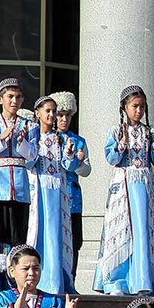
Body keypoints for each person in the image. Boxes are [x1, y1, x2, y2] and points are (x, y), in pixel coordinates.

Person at [92, 85, 154, 297]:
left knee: (143, 230)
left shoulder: (150, 131)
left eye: (142, 106)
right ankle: (118, 281)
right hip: (124, 183)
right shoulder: (116, 131)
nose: (139, 110)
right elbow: (111, 158)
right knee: (121, 231)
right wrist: (121, 145)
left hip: (144, 185)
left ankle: (143, 280)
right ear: (124, 107)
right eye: (135, 106)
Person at [23, 95, 80, 293]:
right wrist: (23, 144)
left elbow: (69, 166)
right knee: (39, 232)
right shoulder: (33, 136)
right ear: (37, 113)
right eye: (47, 111)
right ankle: (40, 281)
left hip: (59, 192)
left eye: (54, 111)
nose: (51, 115)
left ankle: (58, 281)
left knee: (58, 236)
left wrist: (71, 154)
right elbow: (29, 162)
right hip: (39, 190)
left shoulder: (62, 138)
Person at [0, 78, 34, 246]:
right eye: (10, 96)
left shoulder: (29, 125)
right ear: (0, 99)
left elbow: (33, 156)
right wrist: (2, 138)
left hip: (20, 189)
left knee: (18, 237)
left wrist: (21, 142)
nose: (14, 101)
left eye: (18, 97)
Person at [52, 93, 89, 257]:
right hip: (52, 195)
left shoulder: (78, 141)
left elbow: (87, 170)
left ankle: (71, 279)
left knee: (74, 243)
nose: (64, 119)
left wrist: (79, 163)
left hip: (73, 197)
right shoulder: (46, 137)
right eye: (60, 115)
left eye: (67, 115)